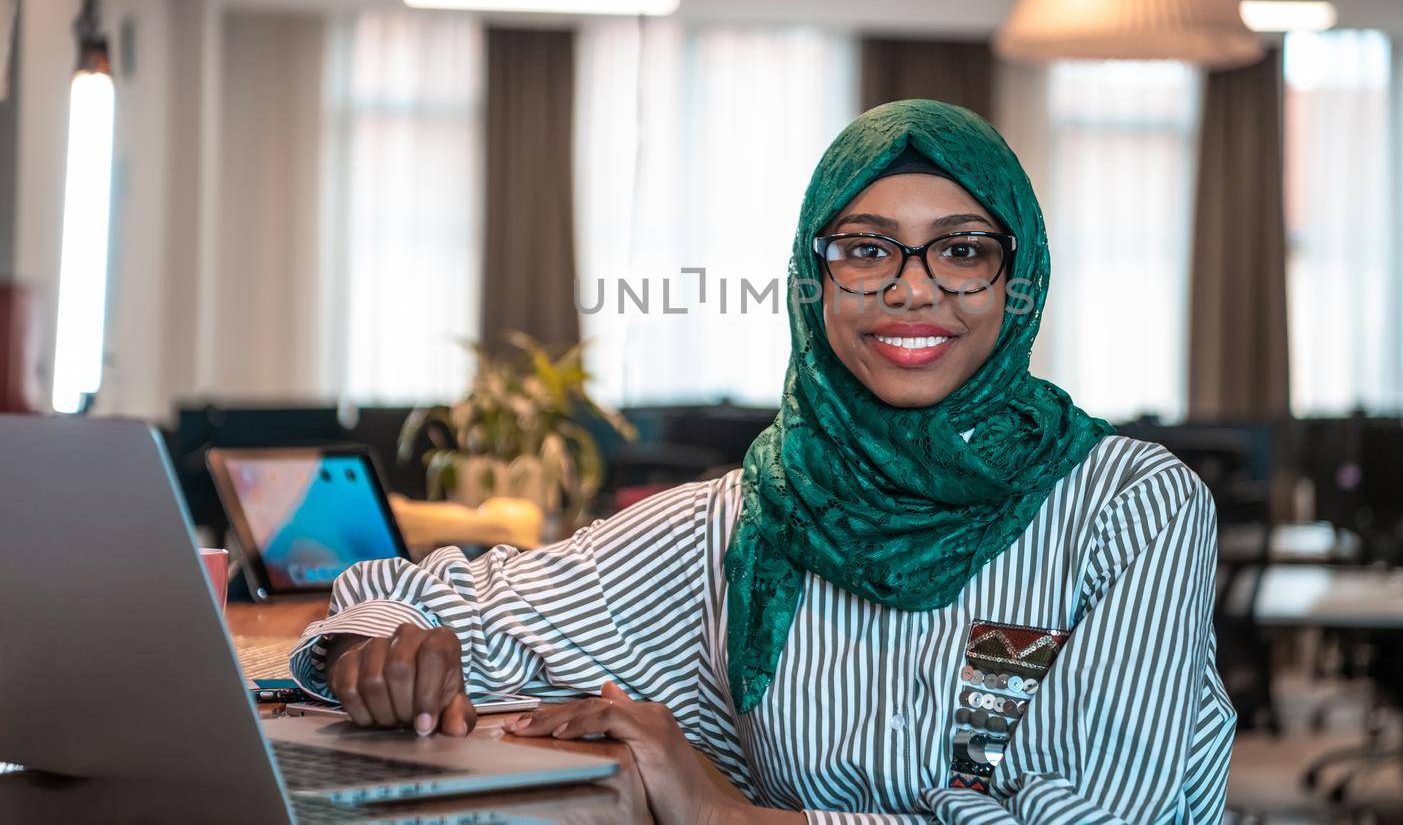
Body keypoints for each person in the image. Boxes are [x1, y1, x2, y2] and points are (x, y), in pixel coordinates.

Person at [290, 100, 1236, 824]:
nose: (913, 288)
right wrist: (378, 650)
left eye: (962, 250)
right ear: (810, 282)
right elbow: (441, 601)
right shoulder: (745, 519)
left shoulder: (1134, 507)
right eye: (866, 251)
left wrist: (736, 816)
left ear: (1018, 280)